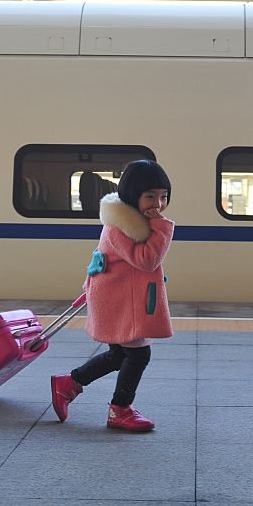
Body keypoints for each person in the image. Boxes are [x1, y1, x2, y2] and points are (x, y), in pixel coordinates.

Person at [51, 159, 173, 432]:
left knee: (119, 355)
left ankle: (68, 385)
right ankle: (120, 410)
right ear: (132, 194)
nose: (158, 203)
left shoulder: (133, 222)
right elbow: (147, 260)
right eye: (150, 196)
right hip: (121, 302)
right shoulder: (123, 226)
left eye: (163, 197)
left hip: (121, 298)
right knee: (139, 355)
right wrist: (162, 226)